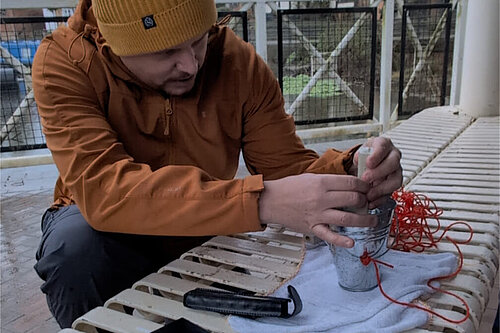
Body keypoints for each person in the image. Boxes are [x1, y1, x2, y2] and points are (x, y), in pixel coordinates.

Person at [32, 0, 402, 328]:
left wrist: (351, 171)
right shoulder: (64, 63)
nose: (190, 64)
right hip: (104, 231)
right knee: (75, 252)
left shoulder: (235, 60)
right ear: (114, 45)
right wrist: (260, 201)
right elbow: (105, 192)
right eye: (166, 52)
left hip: (204, 222)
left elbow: (287, 169)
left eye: (198, 39)